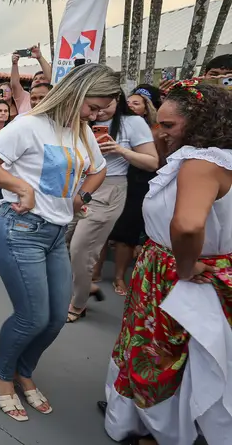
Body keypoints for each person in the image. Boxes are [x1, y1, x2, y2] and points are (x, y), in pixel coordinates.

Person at [0, 64, 120, 422]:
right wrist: (21, 187)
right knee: (32, 316)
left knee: (54, 319)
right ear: (76, 94)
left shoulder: (82, 131)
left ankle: (24, 370)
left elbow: (99, 169)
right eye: (94, 107)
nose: (97, 116)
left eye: (103, 110)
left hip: (55, 233)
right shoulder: (30, 125)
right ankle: (1, 375)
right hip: (19, 229)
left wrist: (81, 195)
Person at [102, 81, 232, 445]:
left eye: (169, 126)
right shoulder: (210, 158)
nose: (161, 132)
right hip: (190, 268)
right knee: (183, 352)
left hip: (178, 272)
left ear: (201, 124)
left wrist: (186, 266)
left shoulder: (200, 163)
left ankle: (161, 432)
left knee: (164, 354)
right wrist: (165, 138)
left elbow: (188, 224)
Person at [66, 93, 157, 322]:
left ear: (119, 100)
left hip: (109, 188)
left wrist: (120, 150)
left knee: (81, 248)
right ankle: (85, 286)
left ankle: (78, 303)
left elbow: (153, 162)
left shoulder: (132, 123)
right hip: (76, 186)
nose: (101, 111)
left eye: (107, 105)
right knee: (60, 241)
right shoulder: (83, 118)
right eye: (96, 105)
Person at [11, 46, 52, 115]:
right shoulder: (24, 97)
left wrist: (40, 58)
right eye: (35, 79)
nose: (37, 80)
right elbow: (15, 84)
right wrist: (14, 64)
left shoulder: (53, 96)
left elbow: (52, 78)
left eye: (42, 78)